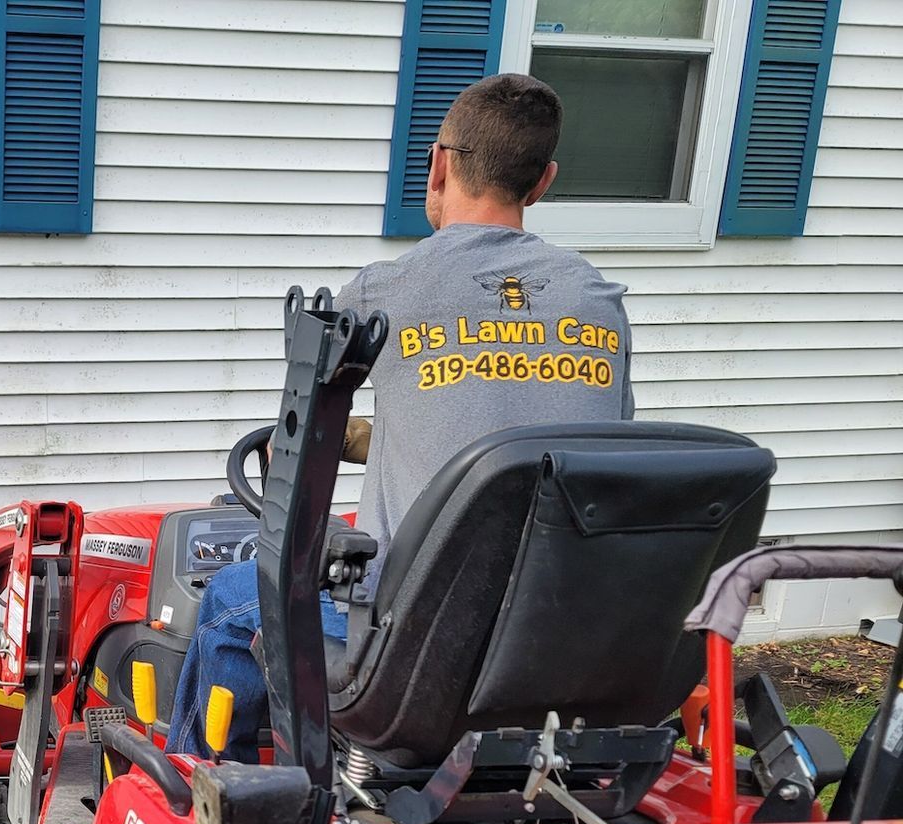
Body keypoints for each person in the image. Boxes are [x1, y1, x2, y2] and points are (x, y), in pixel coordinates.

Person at [170, 73, 637, 762]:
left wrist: (288, 449)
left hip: (420, 639)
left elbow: (303, 433)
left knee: (234, 601)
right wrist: (370, 439)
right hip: (560, 631)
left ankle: (209, 790)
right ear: (541, 182)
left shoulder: (384, 292)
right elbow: (550, 436)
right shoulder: (599, 301)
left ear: (441, 165)